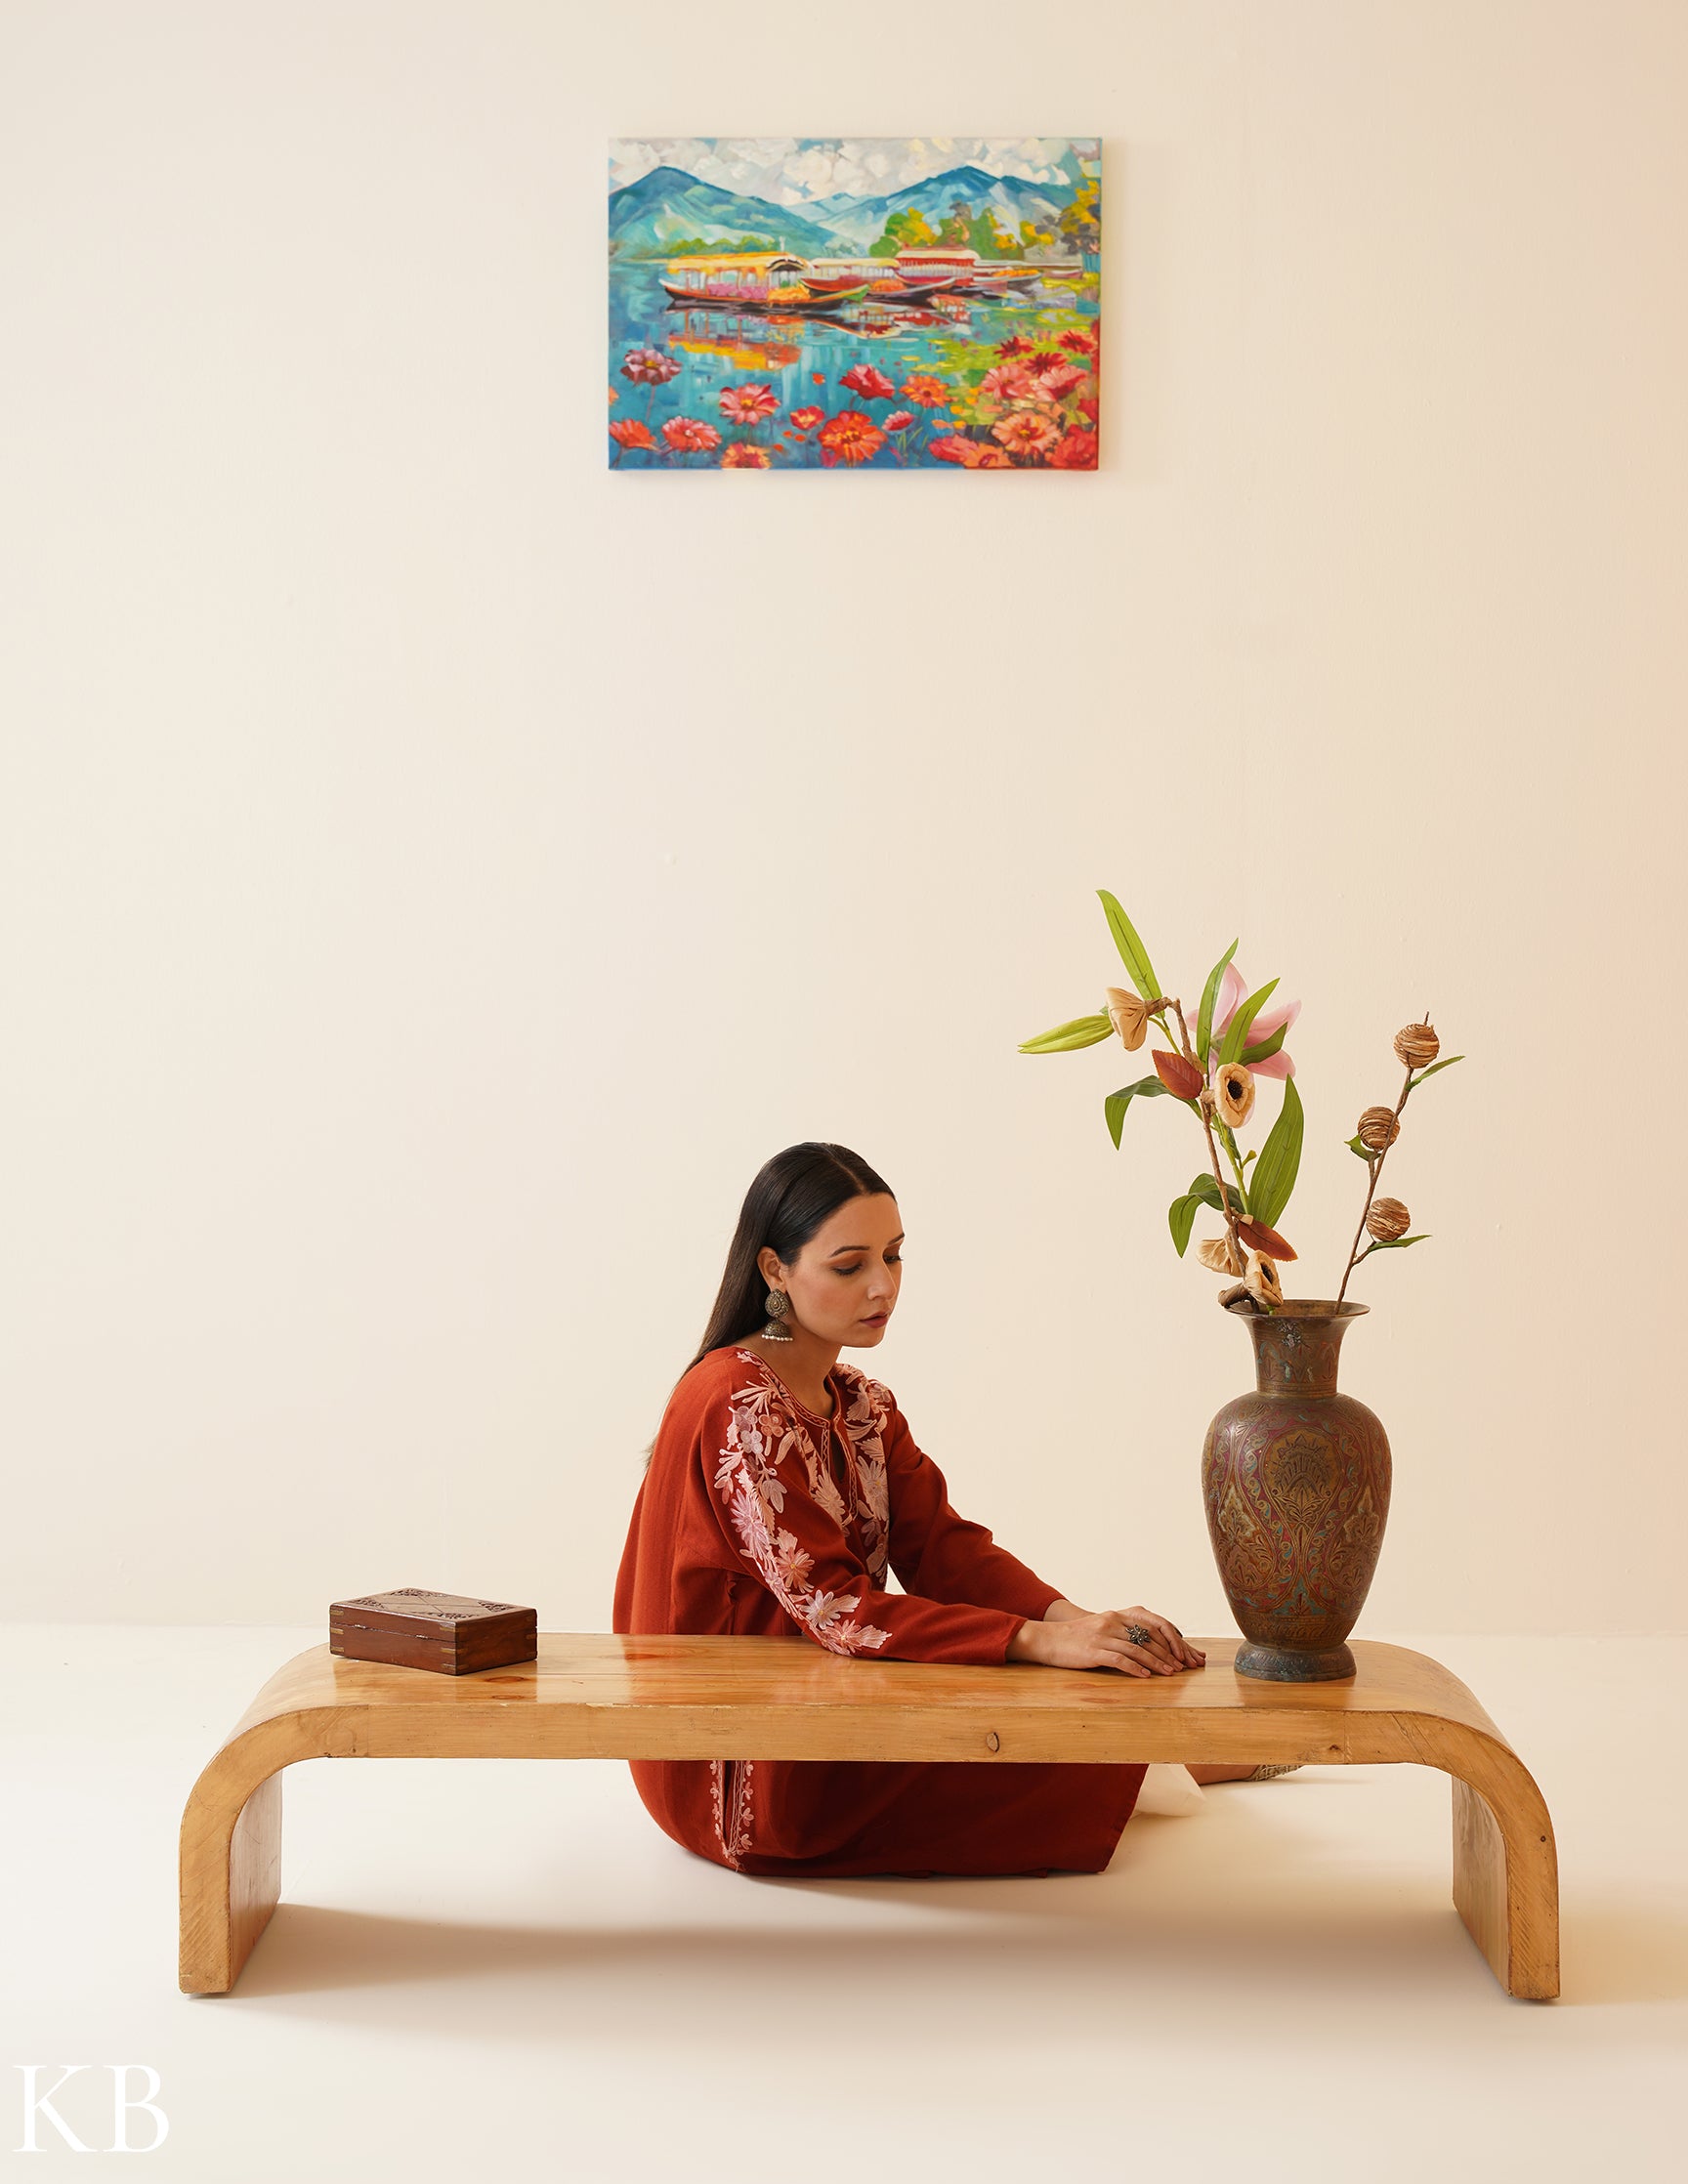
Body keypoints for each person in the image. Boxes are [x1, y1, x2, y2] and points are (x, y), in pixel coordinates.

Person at [612, 1141, 1290, 1880]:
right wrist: (1040, 1642)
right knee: (1029, 1748)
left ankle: (1166, 1760)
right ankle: (1188, 1761)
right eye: (850, 1266)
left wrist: (1077, 1623)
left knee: (1050, 1698)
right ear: (775, 1270)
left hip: (824, 1693)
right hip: (737, 1763)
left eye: (894, 1256)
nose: (883, 1286)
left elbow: (943, 1548)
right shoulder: (736, 1404)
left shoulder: (861, 1404)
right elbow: (837, 1608)